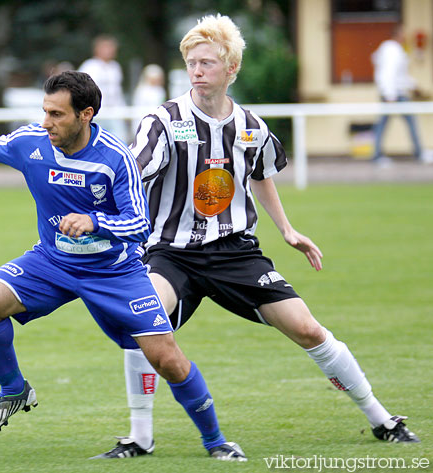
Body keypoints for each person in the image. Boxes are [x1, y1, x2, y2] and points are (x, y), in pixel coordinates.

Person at [93, 14, 420, 459]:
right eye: (191, 62)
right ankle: (140, 436)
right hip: (172, 253)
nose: (197, 70)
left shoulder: (250, 126)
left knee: (308, 329)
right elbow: (136, 167)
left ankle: (382, 418)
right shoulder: (163, 120)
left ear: (231, 69)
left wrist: (287, 229)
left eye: (207, 62)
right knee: (142, 324)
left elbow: (262, 172)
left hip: (235, 253)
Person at [0, 71, 246, 461]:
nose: (47, 122)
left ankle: (216, 443)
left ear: (86, 114)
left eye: (57, 114)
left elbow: (140, 223)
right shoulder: (32, 143)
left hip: (115, 273)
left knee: (168, 359)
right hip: (52, 262)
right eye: (45, 112)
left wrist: (96, 222)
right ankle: (14, 391)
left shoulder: (115, 158)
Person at [371, 23, 424, 166]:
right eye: (403, 33)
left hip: (396, 93)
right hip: (394, 95)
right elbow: (387, 73)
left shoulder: (395, 50)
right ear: (398, 34)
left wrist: (414, 86)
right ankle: (377, 155)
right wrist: (389, 95)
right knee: (384, 124)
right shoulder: (391, 50)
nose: (405, 36)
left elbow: (401, 75)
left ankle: (419, 152)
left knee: (386, 124)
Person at [79, 35, 128, 142]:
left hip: (115, 113)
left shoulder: (115, 67)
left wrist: (123, 110)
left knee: (119, 141)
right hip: (97, 113)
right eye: (106, 47)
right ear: (97, 49)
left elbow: (118, 92)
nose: (110, 50)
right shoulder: (89, 66)